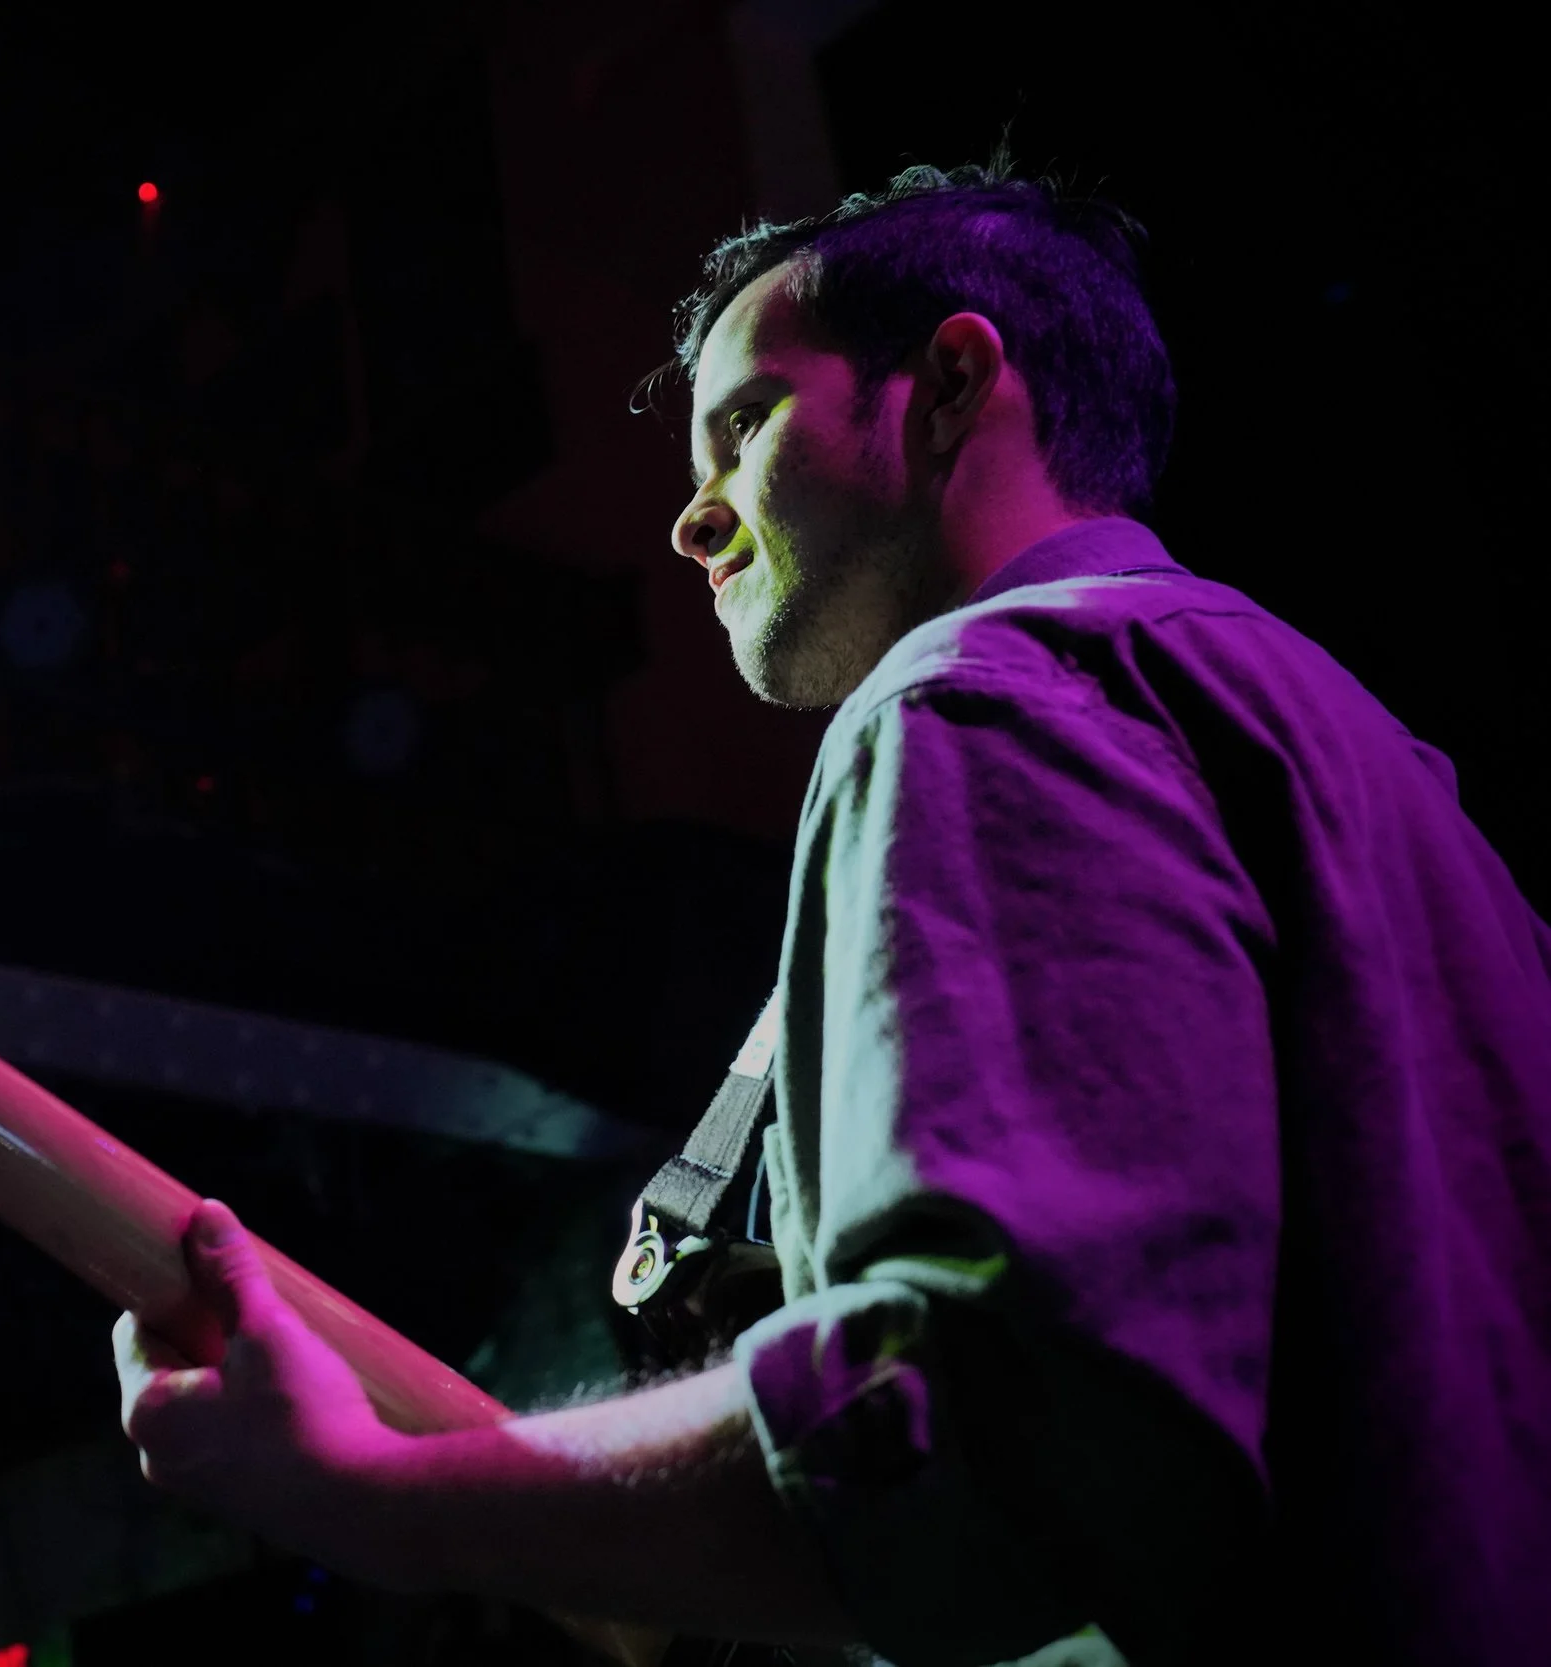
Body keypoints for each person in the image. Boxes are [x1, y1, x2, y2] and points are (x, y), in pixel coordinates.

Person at [111, 162, 1551, 1665]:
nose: (692, 520)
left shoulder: (980, 697)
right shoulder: (1374, 763)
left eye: (745, 425)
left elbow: (992, 1436)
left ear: (951, 385)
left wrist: (374, 1496)